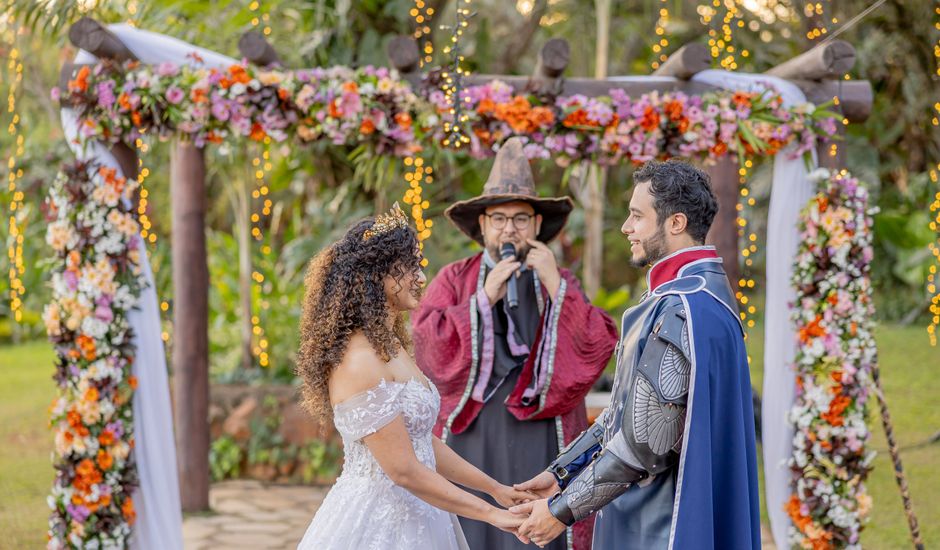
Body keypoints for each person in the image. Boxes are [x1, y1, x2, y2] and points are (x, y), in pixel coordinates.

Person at [511, 159, 760, 549]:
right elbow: (627, 411)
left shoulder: (684, 307)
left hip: (662, 525)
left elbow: (643, 444)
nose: (627, 227)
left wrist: (561, 510)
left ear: (675, 223)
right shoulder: (703, 296)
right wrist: (563, 471)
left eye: (637, 216)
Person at [412, 137, 619, 550]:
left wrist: (556, 284)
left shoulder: (560, 280)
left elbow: (597, 346)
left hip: (542, 431)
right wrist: (482, 300)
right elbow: (424, 343)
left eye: (521, 219)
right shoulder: (455, 277)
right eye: (500, 218)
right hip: (471, 433)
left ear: (538, 226)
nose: (510, 228)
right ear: (484, 225)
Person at [295, 204, 535, 549]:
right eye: (409, 268)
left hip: (420, 513)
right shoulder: (358, 361)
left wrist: (495, 489)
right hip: (378, 524)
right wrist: (490, 514)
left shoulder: (390, 346)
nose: (421, 278)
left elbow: (421, 442)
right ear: (377, 275)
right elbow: (404, 470)